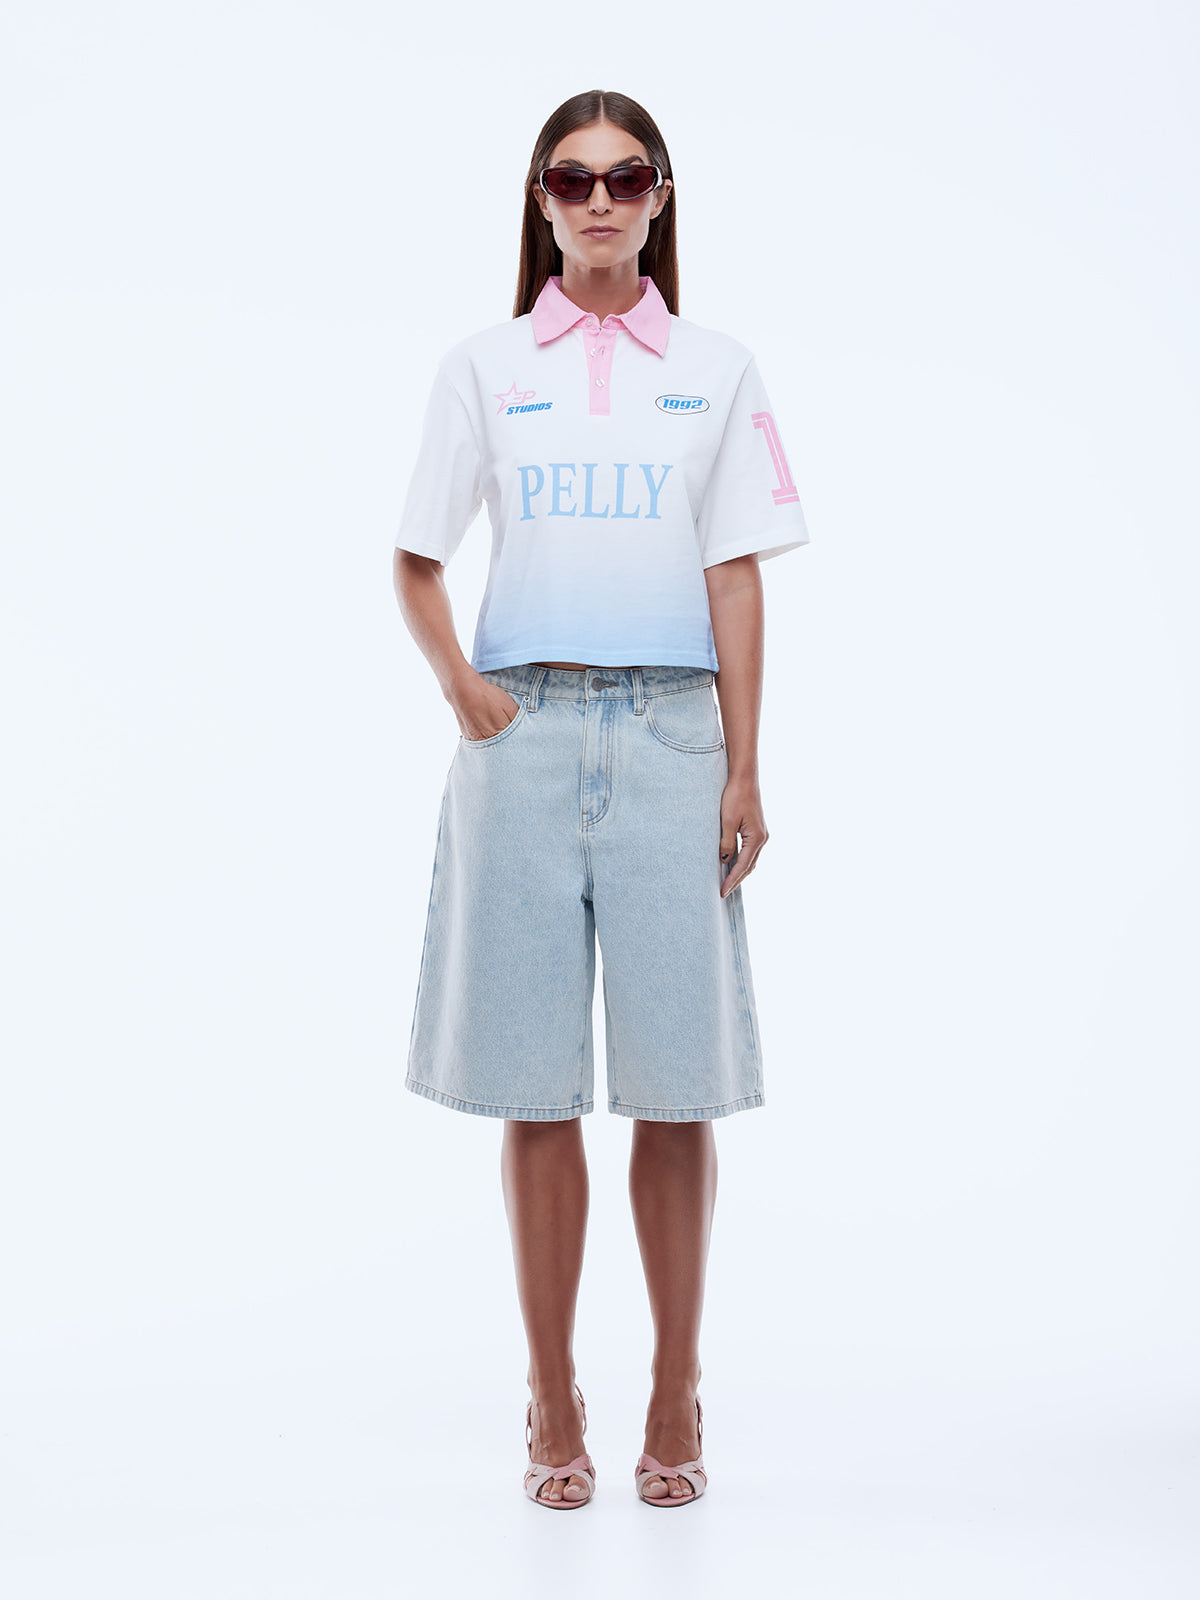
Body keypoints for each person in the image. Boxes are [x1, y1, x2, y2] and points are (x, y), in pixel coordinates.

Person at [391, 89, 810, 1510]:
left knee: (675, 1088)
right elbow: (413, 556)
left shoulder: (717, 368)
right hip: (520, 735)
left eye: (626, 177)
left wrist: (746, 764)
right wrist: (462, 685)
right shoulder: (485, 367)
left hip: (669, 737)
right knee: (535, 1086)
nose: (599, 200)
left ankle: (676, 1384)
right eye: (572, 180)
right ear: (540, 200)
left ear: (663, 195)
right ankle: (552, 1389)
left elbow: (735, 573)